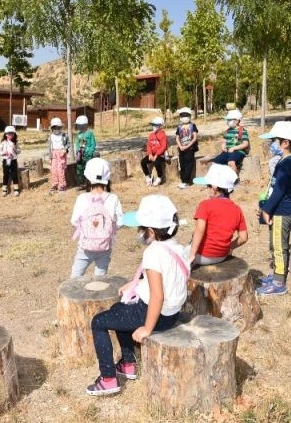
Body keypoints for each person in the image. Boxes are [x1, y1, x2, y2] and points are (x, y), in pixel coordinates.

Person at [86, 195, 190, 396]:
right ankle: (127, 364)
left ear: (150, 231)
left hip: (154, 314)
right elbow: (167, 280)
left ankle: (108, 378)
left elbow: (157, 296)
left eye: (140, 228)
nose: (138, 232)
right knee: (118, 310)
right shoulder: (176, 247)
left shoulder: (153, 253)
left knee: (98, 322)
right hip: (172, 313)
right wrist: (136, 284)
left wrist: (147, 329)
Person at [256, 121, 291, 296]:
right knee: (274, 244)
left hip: (282, 211)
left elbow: (281, 189)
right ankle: (276, 273)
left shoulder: (287, 163)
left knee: (279, 246)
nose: (272, 144)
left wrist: (267, 209)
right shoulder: (284, 161)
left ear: (286, 143)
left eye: (275, 140)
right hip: (278, 209)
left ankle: (279, 282)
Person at [70, 158, 124, 278]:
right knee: (100, 278)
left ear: (88, 178)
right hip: (105, 246)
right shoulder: (113, 198)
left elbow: (74, 220)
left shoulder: (82, 198)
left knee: (75, 277)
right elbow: (120, 222)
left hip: (85, 247)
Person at [190, 163, 248, 265]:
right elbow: (243, 237)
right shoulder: (237, 209)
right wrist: (230, 247)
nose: (206, 189)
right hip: (222, 256)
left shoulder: (205, 204)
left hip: (202, 256)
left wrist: (192, 254)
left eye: (207, 186)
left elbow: (199, 230)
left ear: (214, 187)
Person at [174, 107, 199, 189]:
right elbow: (177, 137)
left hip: (190, 148)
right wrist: (180, 146)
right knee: (182, 164)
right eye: (182, 116)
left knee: (189, 164)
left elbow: (195, 137)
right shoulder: (179, 126)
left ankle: (187, 182)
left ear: (189, 116)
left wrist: (188, 146)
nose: (184, 117)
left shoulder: (193, 125)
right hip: (181, 149)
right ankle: (183, 180)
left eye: (186, 115)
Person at [141, 117, 168, 186]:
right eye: (153, 125)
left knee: (156, 162)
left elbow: (163, 147)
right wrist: (150, 154)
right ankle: (148, 177)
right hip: (152, 154)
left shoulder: (163, 135)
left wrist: (156, 155)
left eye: (155, 125)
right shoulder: (151, 135)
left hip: (161, 154)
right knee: (143, 161)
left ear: (160, 126)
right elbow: (149, 146)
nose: (153, 127)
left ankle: (159, 177)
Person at [46, 117, 69, 193]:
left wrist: (65, 150)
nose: (56, 129)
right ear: (52, 128)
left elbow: (68, 144)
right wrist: (50, 157)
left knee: (60, 170)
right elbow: (50, 147)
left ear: (61, 127)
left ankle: (62, 185)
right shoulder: (50, 137)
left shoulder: (64, 135)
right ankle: (55, 184)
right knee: (54, 170)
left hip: (61, 154)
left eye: (58, 127)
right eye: (54, 127)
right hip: (54, 154)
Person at [0, 126, 21, 197]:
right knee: (6, 174)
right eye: (8, 133)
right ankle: (4, 189)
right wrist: (4, 152)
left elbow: (19, 151)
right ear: (5, 134)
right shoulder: (3, 142)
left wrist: (15, 149)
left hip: (13, 160)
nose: (10, 135)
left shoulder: (15, 143)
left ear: (14, 134)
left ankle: (16, 189)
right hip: (6, 160)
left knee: (14, 174)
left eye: (12, 134)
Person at [74, 115, 97, 188]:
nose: (79, 127)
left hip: (88, 156)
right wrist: (77, 151)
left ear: (85, 125)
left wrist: (89, 151)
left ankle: (89, 183)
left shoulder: (90, 133)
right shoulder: (78, 134)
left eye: (81, 125)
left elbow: (93, 144)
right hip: (80, 155)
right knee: (80, 169)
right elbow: (77, 143)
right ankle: (82, 183)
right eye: (78, 125)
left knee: (89, 169)